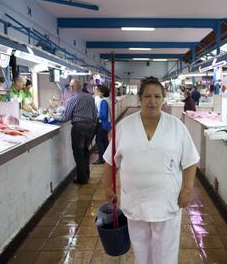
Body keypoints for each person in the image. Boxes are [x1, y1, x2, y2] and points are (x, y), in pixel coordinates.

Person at [103, 77, 199, 264]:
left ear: (163, 99)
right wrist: (107, 186)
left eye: (157, 96)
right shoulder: (124, 127)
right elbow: (110, 160)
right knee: (141, 252)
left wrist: (187, 189)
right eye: (147, 96)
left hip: (167, 202)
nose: (152, 101)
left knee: (166, 255)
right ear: (140, 98)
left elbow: (190, 161)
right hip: (135, 202)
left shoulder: (176, 127)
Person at [59, 79, 97, 184]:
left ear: (72, 87)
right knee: (86, 152)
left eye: (70, 87)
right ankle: (86, 175)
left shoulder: (72, 100)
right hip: (90, 128)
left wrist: (55, 119)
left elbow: (66, 117)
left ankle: (82, 178)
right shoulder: (90, 98)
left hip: (79, 128)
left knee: (78, 153)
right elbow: (95, 114)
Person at [93, 85, 111, 165]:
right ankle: (106, 157)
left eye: (98, 90)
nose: (97, 92)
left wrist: (95, 116)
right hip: (106, 124)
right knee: (104, 140)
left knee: (99, 140)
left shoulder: (103, 101)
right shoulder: (106, 100)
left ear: (102, 92)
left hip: (102, 124)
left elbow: (103, 115)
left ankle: (101, 158)